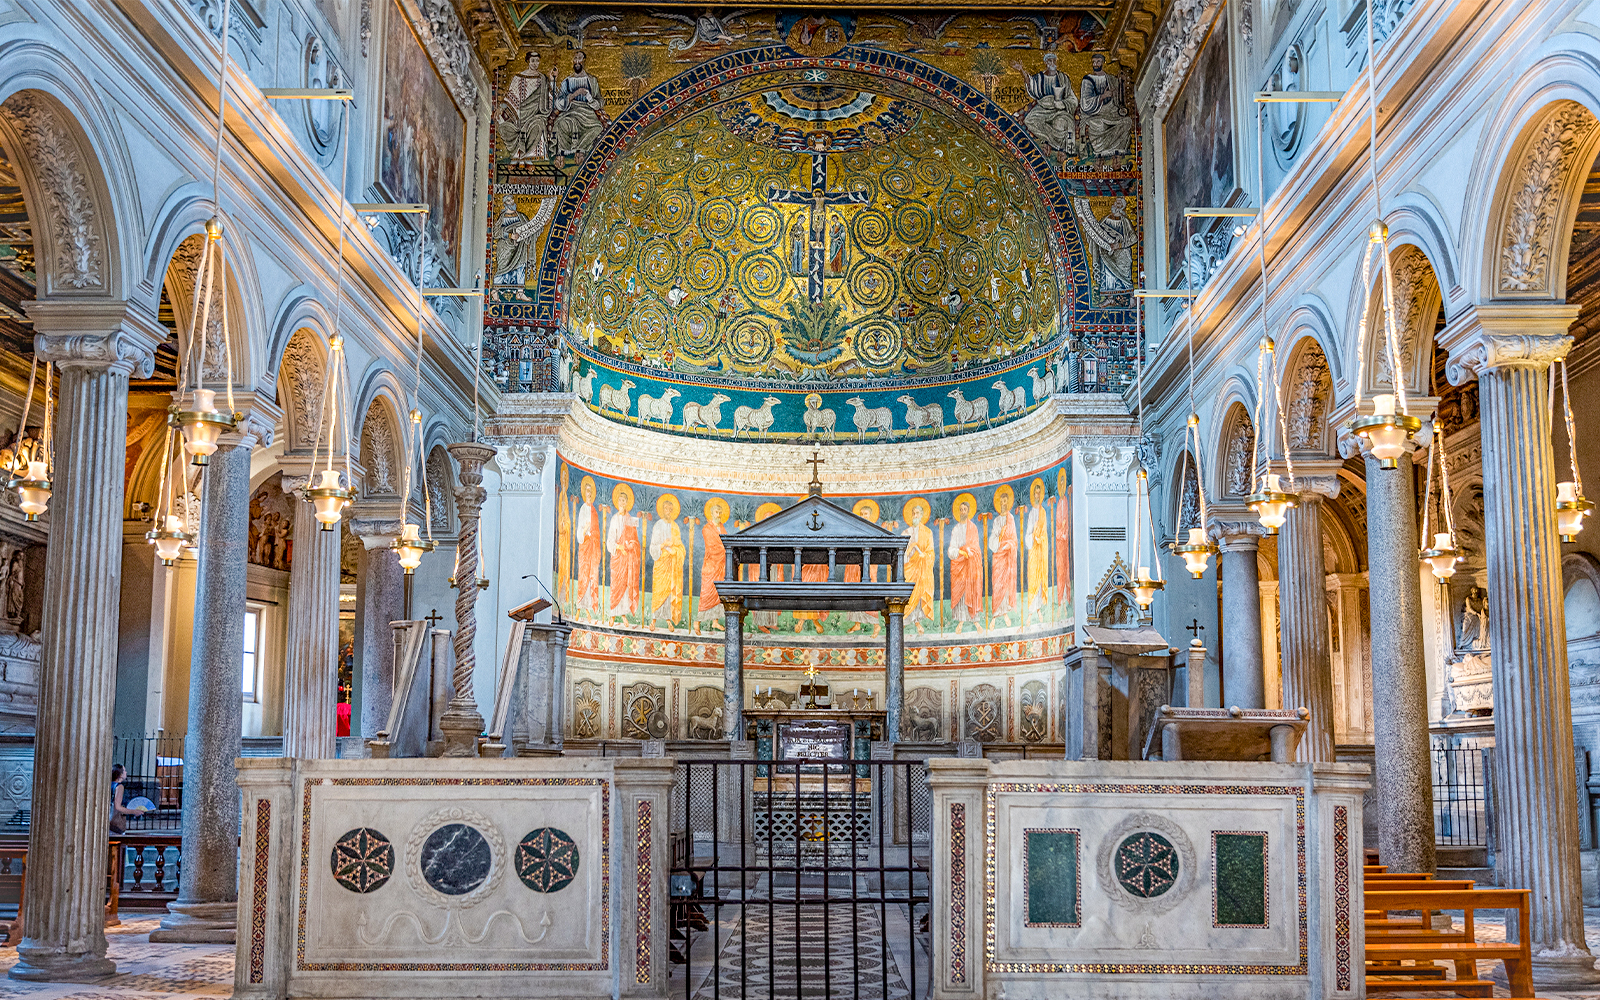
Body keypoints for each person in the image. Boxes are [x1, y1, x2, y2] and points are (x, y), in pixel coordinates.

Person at [110, 763, 146, 834]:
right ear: (120, 775)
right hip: (114, 821)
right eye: (124, 771)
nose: (126, 772)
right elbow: (117, 807)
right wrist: (134, 811)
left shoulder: (110, 784)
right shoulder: (119, 787)